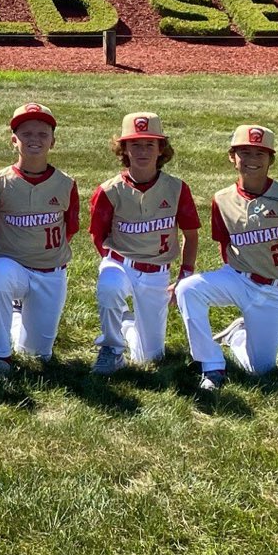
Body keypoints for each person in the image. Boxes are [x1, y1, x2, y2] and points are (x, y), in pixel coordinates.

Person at [176, 123, 278, 393]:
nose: (251, 160)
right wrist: (229, 275)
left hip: (274, 288)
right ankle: (211, 364)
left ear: (271, 159)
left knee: (261, 371)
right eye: (244, 153)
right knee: (188, 289)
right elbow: (224, 243)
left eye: (260, 154)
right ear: (232, 157)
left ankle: (237, 336)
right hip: (238, 277)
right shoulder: (221, 199)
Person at [88, 112, 199, 374]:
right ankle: (112, 348)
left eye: (150, 144)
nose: (142, 151)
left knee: (150, 357)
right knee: (110, 284)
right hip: (121, 264)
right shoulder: (109, 190)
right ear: (123, 148)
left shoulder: (176, 188)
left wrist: (185, 273)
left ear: (161, 148)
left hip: (157, 272)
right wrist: (112, 261)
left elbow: (191, 234)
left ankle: (126, 323)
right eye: (135, 144)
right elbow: (98, 236)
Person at [0, 102, 81, 372]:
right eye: (26, 134)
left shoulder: (66, 184)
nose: (35, 140)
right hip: (13, 266)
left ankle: (19, 315)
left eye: (42, 134)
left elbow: (69, 228)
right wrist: (8, 245)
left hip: (50, 272)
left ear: (53, 141)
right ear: (14, 140)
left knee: (38, 356)